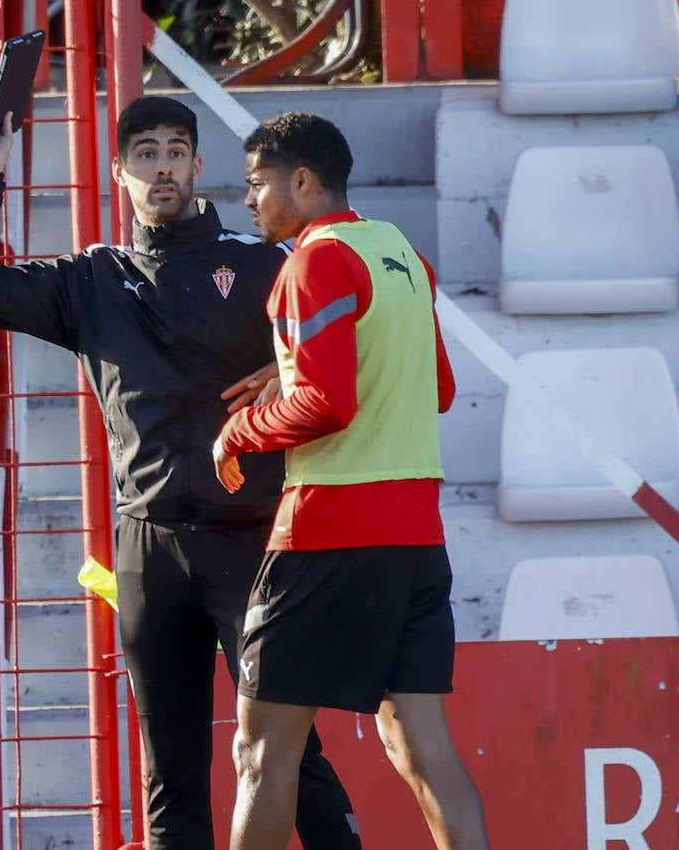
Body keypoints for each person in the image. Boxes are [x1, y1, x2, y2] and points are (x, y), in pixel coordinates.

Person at [0, 96, 360, 849]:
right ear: (120, 172)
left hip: (254, 545)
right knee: (170, 772)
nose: (161, 165)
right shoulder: (91, 281)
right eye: (144, 152)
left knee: (294, 755)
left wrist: (288, 361)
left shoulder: (266, 262)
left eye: (174, 151)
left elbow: (358, 331)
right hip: (149, 550)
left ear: (198, 168)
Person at [212, 112, 490, 850]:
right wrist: (297, 369)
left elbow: (327, 404)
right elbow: (436, 388)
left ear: (300, 180)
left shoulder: (311, 263)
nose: (249, 200)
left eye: (256, 183)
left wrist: (238, 431)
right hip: (417, 538)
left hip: (327, 532)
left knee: (262, 754)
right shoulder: (400, 251)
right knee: (421, 748)